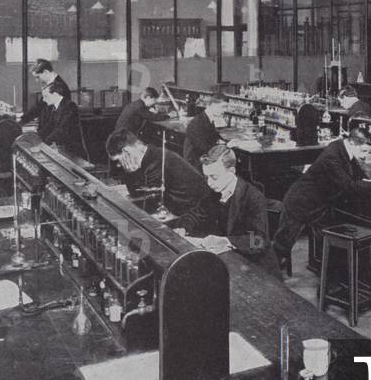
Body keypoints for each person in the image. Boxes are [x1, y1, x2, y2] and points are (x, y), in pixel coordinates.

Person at [271, 126, 371, 270]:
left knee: (325, 243)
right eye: (364, 151)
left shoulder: (344, 149)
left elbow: (359, 177)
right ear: (353, 143)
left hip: (318, 205)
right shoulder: (333, 155)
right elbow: (349, 186)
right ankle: (268, 279)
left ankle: (328, 281)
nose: (365, 156)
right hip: (300, 201)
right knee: (282, 247)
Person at [176, 145, 281, 279]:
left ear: (231, 171)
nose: (209, 183)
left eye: (214, 177)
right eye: (206, 177)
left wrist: (226, 241)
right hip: (230, 261)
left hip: (257, 268)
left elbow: (259, 241)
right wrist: (183, 227)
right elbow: (195, 214)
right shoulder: (215, 192)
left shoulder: (253, 197)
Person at [105, 129, 213, 229]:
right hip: (181, 210)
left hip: (194, 216)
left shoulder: (157, 162)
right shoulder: (152, 154)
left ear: (126, 152)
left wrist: (132, 174)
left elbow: (145, 200)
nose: (119, 165)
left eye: (118, 161)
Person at [37, 83, 88, 160]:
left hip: (73, 152)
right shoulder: (54, 107)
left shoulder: (70, 106)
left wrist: (43, 144)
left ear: (55, 94)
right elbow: (49, 126)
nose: (44, 100)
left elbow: (61, 129)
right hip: (63, 149)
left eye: (45, 96)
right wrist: (35, 137)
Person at [20, 59, 71, 125]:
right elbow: (40, 106)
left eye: (38, 77)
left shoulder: (59, 86)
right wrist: (23, 120)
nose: (37, 81)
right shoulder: (53, 84)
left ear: (46, 72)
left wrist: (22, 121)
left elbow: (41, 107)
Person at [183, 93, 226, 168]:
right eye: (222, 107)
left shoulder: (207, 119)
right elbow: (204, 148)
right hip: (196, 165)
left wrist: (224, 142)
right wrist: (226, 146)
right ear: (211, 106)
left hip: (203, 160)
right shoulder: (197, 123)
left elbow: (215, 136)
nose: (225, 110)